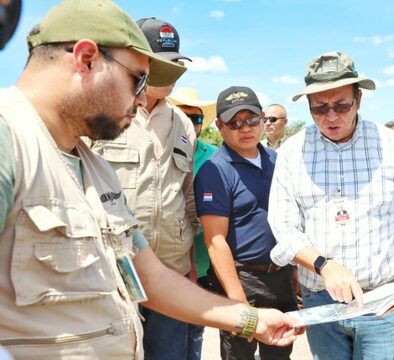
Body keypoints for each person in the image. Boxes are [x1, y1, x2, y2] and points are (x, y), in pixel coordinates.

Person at [0, 1, 298, 358]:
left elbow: (152, 279)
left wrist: (249, 320)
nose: (142, 97)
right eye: (138, 78)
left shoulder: (96, 168)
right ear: (86, 59)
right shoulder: (9, 141)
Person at [268, 50, 394, 360]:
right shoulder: (293, 152)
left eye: (341, 105)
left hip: (381, 304)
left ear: (359, 99)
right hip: (321, 304)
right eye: (320, 108)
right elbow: (283, 226)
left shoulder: (392, 146)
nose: (331, 117)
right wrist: (325, 265)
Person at [90, 16, 203, 359]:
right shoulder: (104, 115)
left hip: (172, 271)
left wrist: (191, 263)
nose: (170, 73)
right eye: (160, 64)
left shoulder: (182, 123)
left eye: (176, 64)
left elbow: (187, 193)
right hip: (113, 274)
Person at [194, 86, 297, 360]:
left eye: (251, 120)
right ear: (219, 126)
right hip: (243, 281)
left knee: (281, 353)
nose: (245, 128)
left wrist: (296, 277)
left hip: (282, 276)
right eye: (234, 123)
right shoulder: (215, 171)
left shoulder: (278, 161)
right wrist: (239, 302)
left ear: (263, 119)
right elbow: (215, 241)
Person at [168, 86, 219, 358]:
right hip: (166, 262)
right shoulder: (158, 152)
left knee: (193, 334)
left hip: (202, 262)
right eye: (183, 115)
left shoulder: (214, 156)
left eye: (196, 118)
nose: (190, 123)